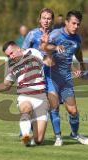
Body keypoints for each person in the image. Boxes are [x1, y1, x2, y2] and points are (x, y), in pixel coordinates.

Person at [0, 41, 49, 146]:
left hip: (41, 96)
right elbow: (6, 85)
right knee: (26, 108)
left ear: (18, 48)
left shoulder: (33, 52)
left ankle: (31, 127)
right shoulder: (11, 65)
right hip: (25, 95)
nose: (11, 56)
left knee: (38, 140)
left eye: (12, 53)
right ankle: (25, 135)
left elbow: (48, 61)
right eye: (8, 55)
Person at [40, 10, 88, 145]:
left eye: (78, 24)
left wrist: (81, 65)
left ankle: (75, 134)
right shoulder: (56, 34)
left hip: (66, 78)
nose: (76, 26)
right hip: (51, 76)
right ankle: (58, 137)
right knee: (54, 106)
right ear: (67, 23)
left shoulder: (77, 38)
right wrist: (55, 47)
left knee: (73, 111)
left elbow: (78, 51)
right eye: (73, 23)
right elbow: (43, 46)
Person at [22, 8, 64, 146]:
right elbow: (23, 53)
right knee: (33, 105)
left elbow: (61, 53)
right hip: (34, 77)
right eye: (44, 18)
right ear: (39, 19)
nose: (46, 21)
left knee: (54, 104)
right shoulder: (32, 34)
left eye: (49, 18)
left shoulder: (57, 35)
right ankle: (28, 132)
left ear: (52, 20)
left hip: (51, 75)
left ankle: (58, 137)